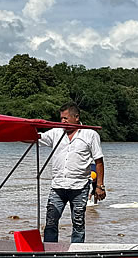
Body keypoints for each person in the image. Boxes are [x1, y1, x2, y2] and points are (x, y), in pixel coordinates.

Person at [39, 102, 106, 243]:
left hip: (79, 187)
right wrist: (18, 132)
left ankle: (76, 252)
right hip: (58, 186)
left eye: (65, 118)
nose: (62, 121)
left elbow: (99, 161)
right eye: (61, 118)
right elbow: (37, 138)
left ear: (76, 117)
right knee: (51, 221)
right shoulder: (56, 132)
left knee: (78, 224)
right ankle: (50, 252)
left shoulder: (90, 134)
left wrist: (99, 186)